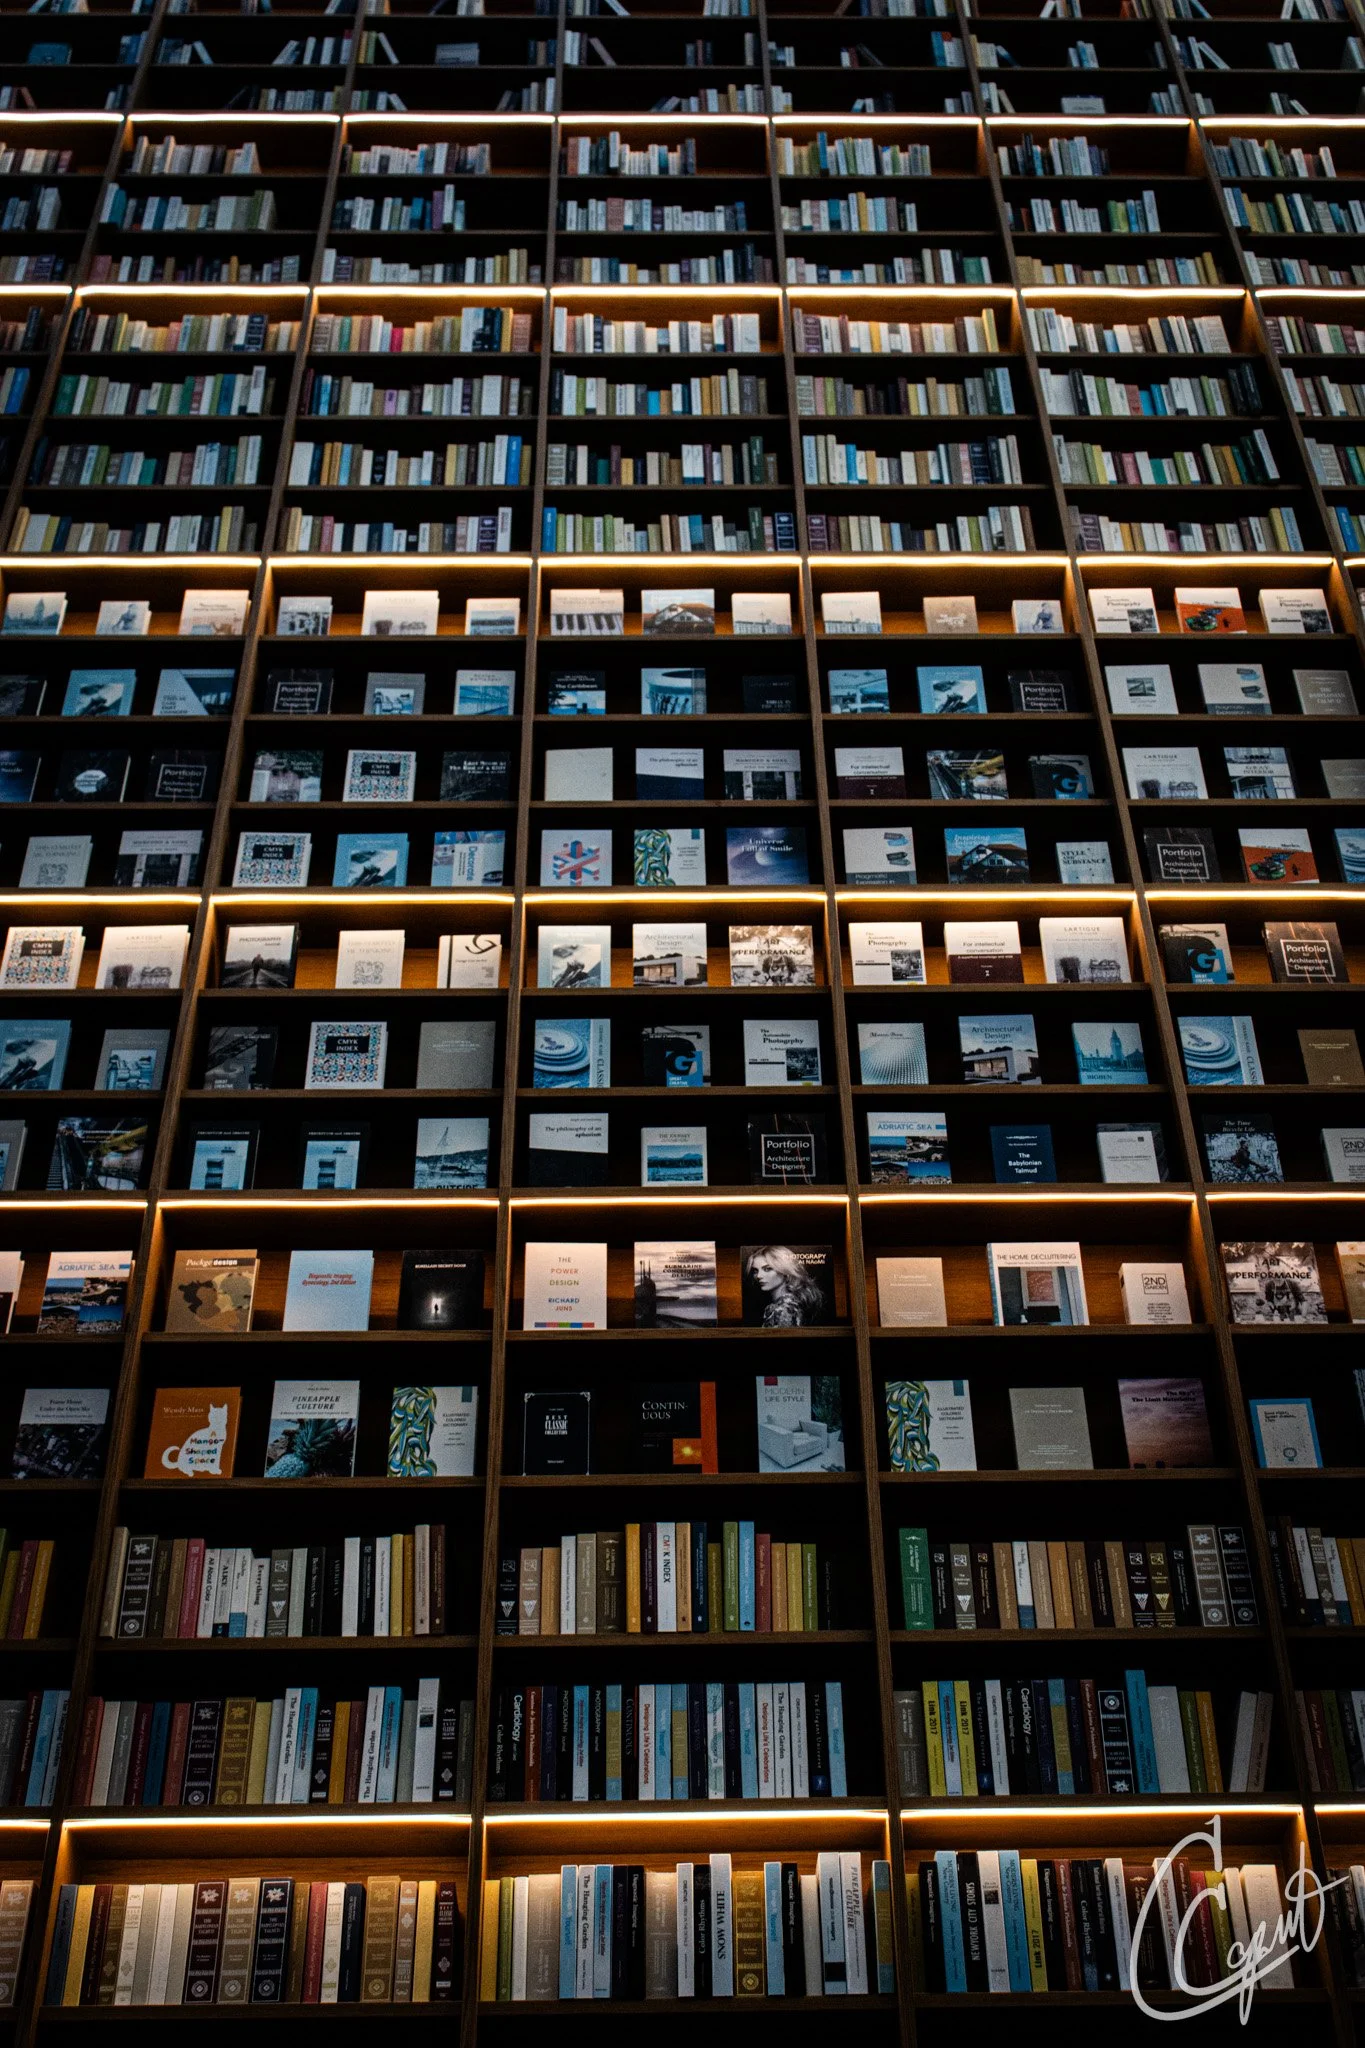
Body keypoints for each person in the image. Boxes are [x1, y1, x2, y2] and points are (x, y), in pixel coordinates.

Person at [742, 1244, 827, 1327]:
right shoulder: (790, 1304)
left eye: (767, 1269)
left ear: (785, 1270)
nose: (758, 1276)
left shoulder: (784, 1310)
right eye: (755, 1271)